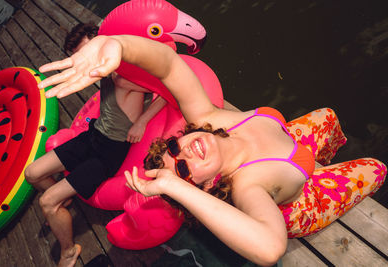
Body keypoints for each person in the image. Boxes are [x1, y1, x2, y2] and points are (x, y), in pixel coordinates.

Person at [37, 35, 387, 266]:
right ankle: (320, 175)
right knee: (376, 167)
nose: (186, 152)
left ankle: (322, 160)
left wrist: (118, 46)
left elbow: (171, 64)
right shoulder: (248, 184)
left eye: (175, 146)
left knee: (329, 115)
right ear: (207, 187)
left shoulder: (207, 118)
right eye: (185, 171)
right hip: (300, 198)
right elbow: (269, 248)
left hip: (293, 143)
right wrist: (172, 186)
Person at [24, 28, 166, 267]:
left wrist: (142, 121)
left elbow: (166, 90)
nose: (86, 60)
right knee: (32, 173)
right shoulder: (103, 72)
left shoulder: (126, 75)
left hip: (109, 151)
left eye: (87, 51)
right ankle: (64, 203)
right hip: (93, 136)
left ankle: (68, 251)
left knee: (47, 201)